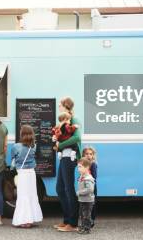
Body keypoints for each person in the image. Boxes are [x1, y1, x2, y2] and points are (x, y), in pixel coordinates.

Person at [54, 96, 81, 232]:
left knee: (69, 189)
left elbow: (77, 137)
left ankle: (73, 223)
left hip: (70, 157)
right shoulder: (62, 120)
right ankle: (66, 220)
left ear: (66, 105)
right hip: (63, 157)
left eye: (60, 104)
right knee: (60, 188)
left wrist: (60, 145)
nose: (58, 106)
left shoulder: (73, 119)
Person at [10, 125, 43, 228]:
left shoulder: (16, 146)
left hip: (22, 174)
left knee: (22, 197)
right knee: (32, 195)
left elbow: (13, 159)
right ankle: (31, 219)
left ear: (22, 134)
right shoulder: (34, 146)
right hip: (31, 173)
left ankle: (23, 220)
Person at [76, 157, 95, 235]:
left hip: (87, 201)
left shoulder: (88, 178)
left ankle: (87, 228)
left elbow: (90, 189)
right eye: (78, 167)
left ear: (86, 167)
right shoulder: (82, 176)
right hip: (82, 200)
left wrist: (80, 192)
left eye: (80, 167)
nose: (78, 169)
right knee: (82, 214)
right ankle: (83, 226)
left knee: (86, 215)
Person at [82, 146, 98, 227]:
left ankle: (91, 219)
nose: (88, 155)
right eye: (87, 154)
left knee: (91, 203)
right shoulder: (83, 164)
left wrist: (86, 177)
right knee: (85, 203)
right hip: (84, 186)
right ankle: (85, 219)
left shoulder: (93, 164)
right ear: (84, 155)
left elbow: (94, 177)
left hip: (91, 187)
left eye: (90, 154)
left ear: (93, 155)